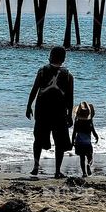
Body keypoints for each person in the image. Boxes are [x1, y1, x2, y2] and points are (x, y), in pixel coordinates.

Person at [26, 46, 74, 178]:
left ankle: (36, 166)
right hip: (59, 114)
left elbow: (35, 89)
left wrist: (29, 105)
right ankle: (57, 170)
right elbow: (70, 97)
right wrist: (70, 115)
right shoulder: (69, 76)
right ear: (63, 59)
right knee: (60, 143)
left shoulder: (42, 71)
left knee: (38, 139)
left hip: (42, 112)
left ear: (51, 56)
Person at [71, 102, 99, 177]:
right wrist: (96, 137)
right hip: (87, 143)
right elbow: (93, 131)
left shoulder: (77, 122)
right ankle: (88, 165)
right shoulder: (89, 122)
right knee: (90, 157)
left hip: (79, 142)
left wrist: (72, 142)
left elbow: (74, 133)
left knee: (82, 158)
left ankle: (84, 173)